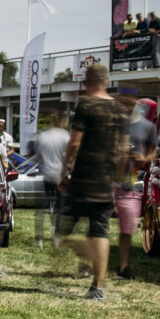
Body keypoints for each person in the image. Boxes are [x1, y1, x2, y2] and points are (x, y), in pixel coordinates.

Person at [56, 63, 128, 300]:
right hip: (106, 181)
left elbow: (75, 142)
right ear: (106, 81)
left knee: (65, 228)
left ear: (87, 82)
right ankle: (97, 287)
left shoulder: (86, 105)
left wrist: (65, 171)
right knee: (100, 231)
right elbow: (124, 149)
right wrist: (116, 179)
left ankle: (86, 259)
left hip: (83, 179)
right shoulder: (119, 109)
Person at [115, 98, 158, 280]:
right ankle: (92, 262)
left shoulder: (147, 127)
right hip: (109, 181)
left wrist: (144, 158)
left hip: (131, 183)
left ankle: (123, 267)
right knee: (96, 224)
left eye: (129, 104)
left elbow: (154, 151)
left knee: (127, 228)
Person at [31, 113, 69, 248]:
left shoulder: (43, 137)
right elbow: (69, 157)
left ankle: (39, 239)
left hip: (46, 176)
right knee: (59, 209)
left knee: (41, 209)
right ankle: (56, 237)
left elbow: (37, 157)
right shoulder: (65, 136)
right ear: (61, 120)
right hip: (60, 176)